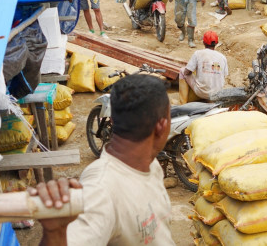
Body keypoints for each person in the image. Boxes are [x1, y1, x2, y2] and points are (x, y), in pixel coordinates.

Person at [32, 74, 174, 245]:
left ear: (112, 120)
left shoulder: (151, 164)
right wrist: (55, 232)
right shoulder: (101, 190)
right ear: (161, 126)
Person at [179, 30, 228, 103]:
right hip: (217, 94)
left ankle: (182, 103)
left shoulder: (198, 53)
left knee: (183, 71)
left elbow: (187, 72)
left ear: (203, 42)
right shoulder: (222, 57)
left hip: (201, 93)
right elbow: (224, 75)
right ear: (216, 43)